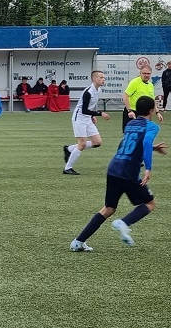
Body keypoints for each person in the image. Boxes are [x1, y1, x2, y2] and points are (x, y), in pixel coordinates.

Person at [70, 95, 167, 252]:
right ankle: (124, 223)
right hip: (128, 172)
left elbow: (127, 143)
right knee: (150, 203)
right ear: (151, 110)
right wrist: (148, 168)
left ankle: (78, 241)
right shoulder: (152, 127)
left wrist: (152, 148)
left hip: (114, 167)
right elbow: (146, 142)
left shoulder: (130, 124)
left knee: (109, 208)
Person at [63, 70, 110, 175]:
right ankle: (68, 168)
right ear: (94, 79)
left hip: (87, 118)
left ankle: (69, 149)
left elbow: (92, 106)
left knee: (97, 142)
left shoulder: (98, 90)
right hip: (79, 118)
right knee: (82, 144)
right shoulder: (88, 92)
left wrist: (92, 116)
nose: (103, 79)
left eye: (104, 78)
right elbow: (84, 110)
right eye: (101, 77)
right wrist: (100, 114)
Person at [123, 65, 163, 131]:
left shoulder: (151, 85)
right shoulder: (135, 82)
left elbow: (153, 100)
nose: (146, 75)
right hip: (133, 113)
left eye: (148, 73)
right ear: (140, 73)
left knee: (144, 133)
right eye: (144, 73)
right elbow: (125, 96)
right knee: (130, 133)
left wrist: (157, 112)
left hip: (145, 115)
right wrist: (129, 111)